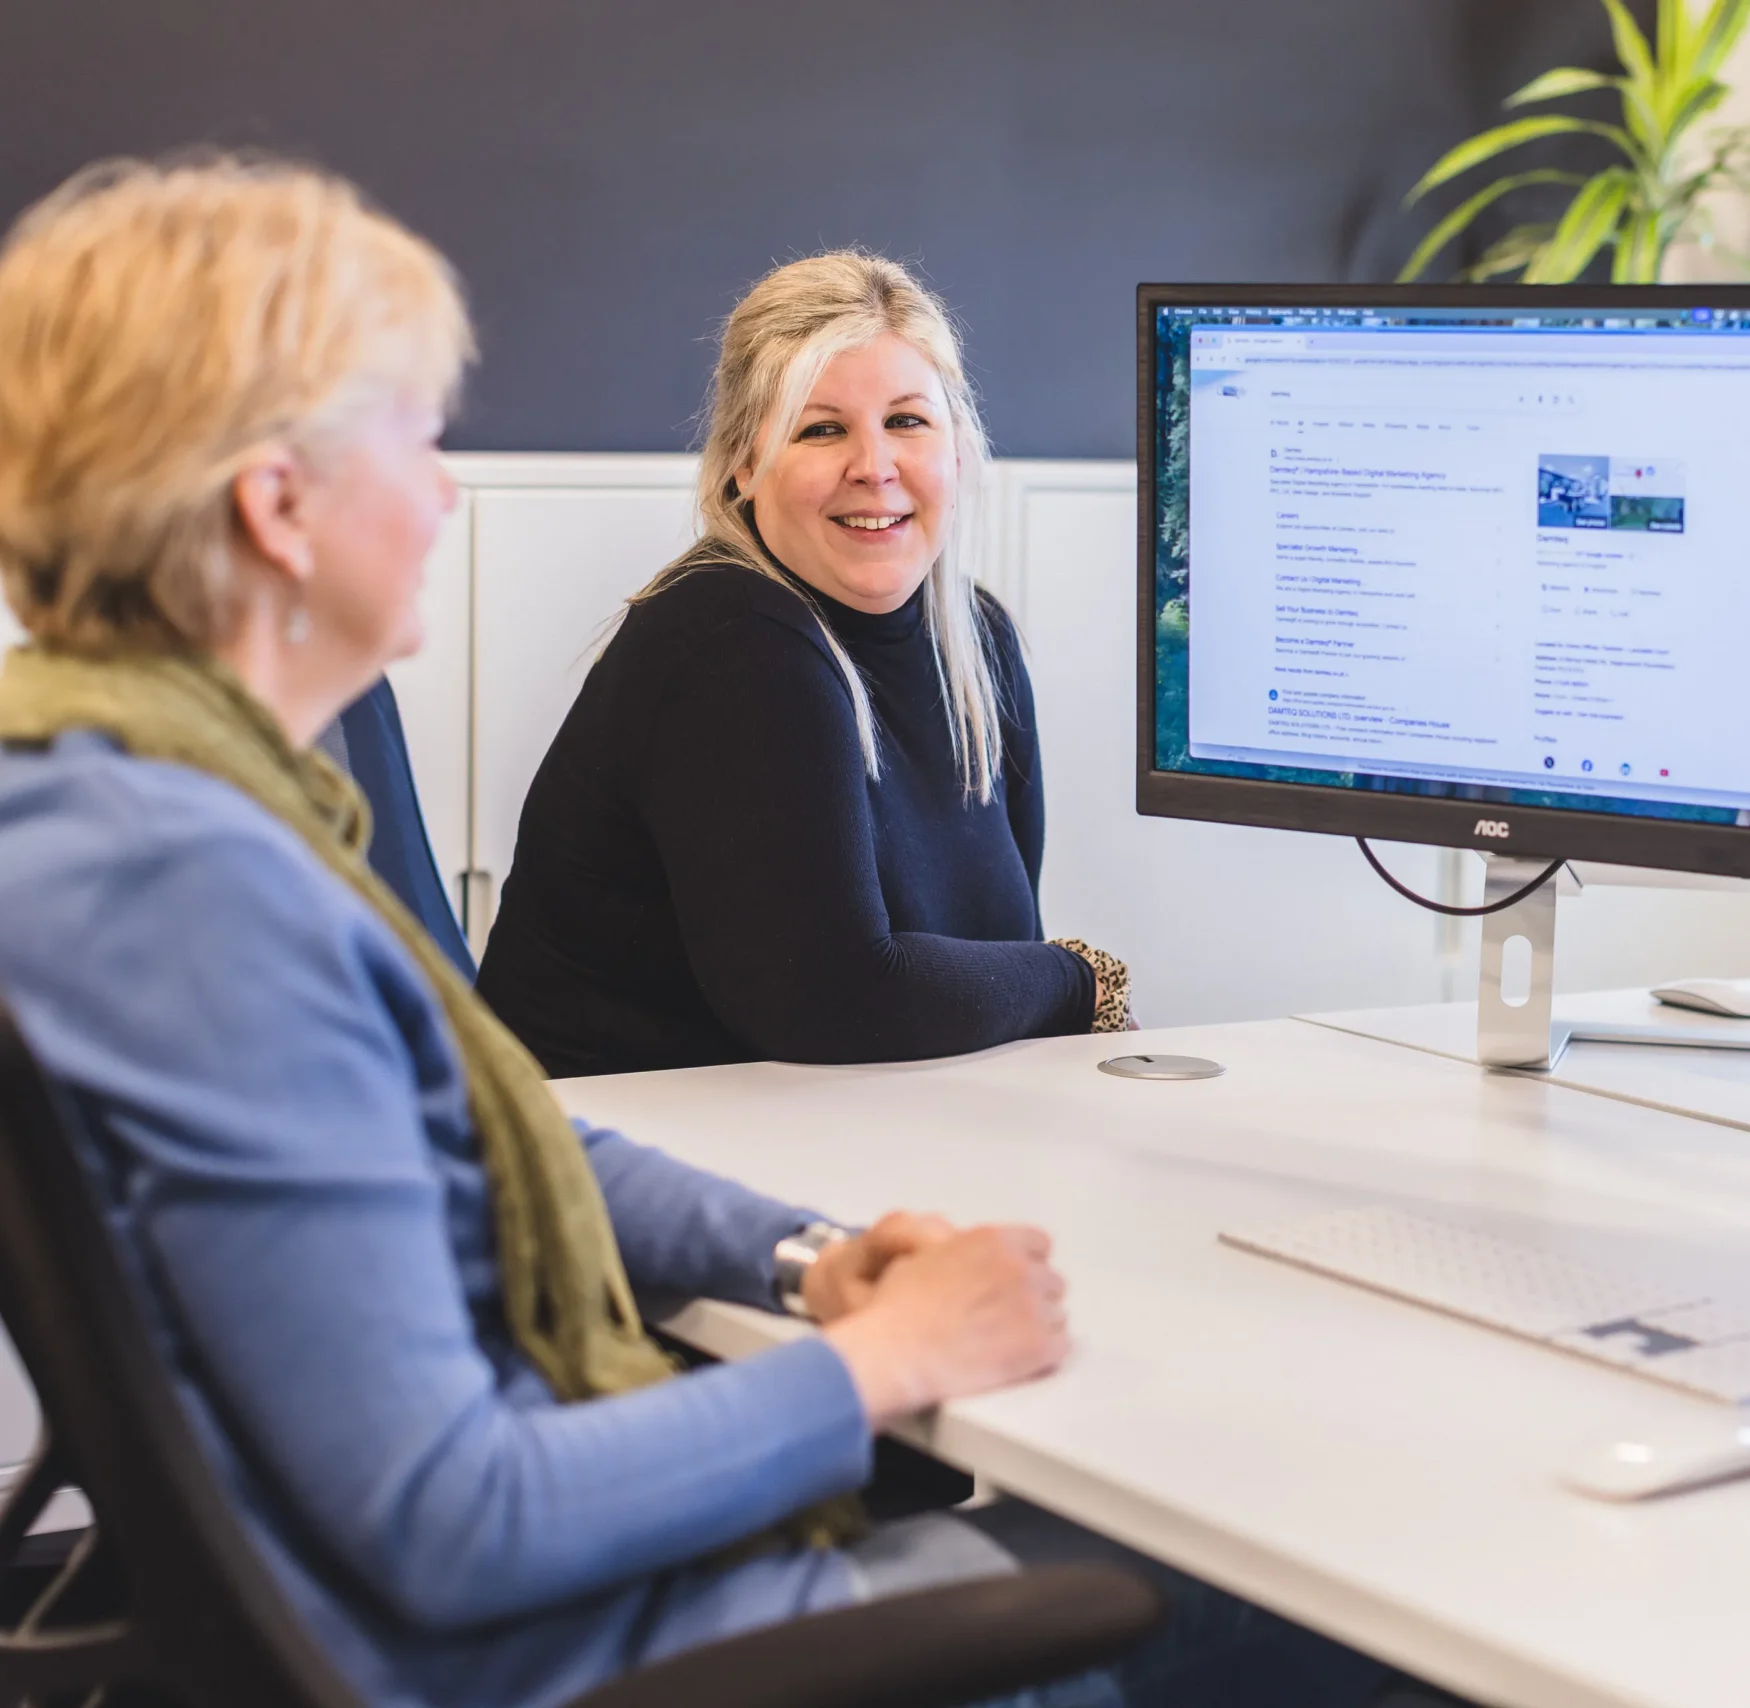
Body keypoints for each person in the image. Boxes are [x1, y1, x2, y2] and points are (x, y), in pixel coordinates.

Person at [0, 156, 1393, 1708]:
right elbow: (460, 1520)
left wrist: (811, 1262)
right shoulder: (191, 900)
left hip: (517, 1601)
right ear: (276, 505)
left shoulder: (135, 804)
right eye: (418, 433)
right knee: (1375, 1596)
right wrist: (886, 1363)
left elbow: (490, 1128)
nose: (452, 487)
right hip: (578, 1657)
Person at [474, 252, 1126, 1078]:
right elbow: (840, 1000)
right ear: (746, 464)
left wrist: (1050, 984)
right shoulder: (732, 637)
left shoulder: (976, 641)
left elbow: (994, 953)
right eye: (822, 429)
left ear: (959, 447)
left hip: (843, 1121)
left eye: (908, 421)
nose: (875, 466)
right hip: (612, 1151)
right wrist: (1081, 979)